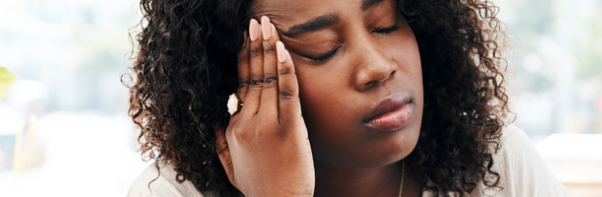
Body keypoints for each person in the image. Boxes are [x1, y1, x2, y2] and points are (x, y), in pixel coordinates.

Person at [125, 0, 569, 196]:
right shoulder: (170, 194)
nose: (377, 66)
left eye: (385, 23)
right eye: (323, 48)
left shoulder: (493, 167)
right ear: (238, 81)